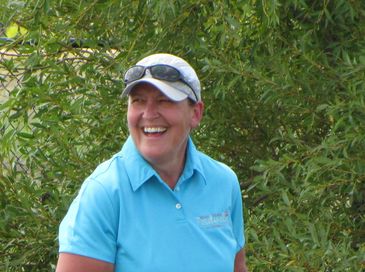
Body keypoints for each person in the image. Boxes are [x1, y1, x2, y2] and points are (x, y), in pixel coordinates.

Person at [56, 53, 248, 272]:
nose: (148, 113)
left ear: (196, 113)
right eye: (138, 101)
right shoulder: (104, 192)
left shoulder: (222, 182)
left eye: (164, 100)